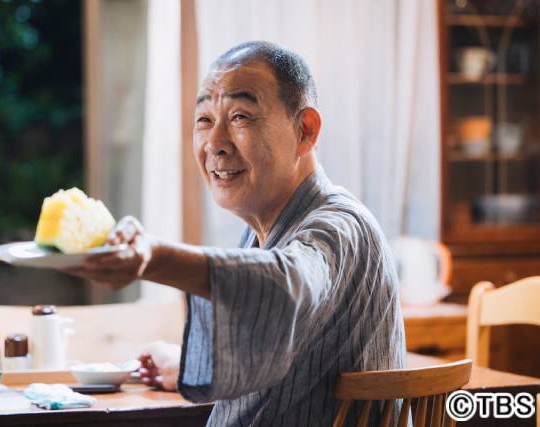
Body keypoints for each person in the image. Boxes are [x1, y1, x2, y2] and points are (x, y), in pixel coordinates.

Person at [64, 40, 406, 426]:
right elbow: (286, 358)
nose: (215, 144)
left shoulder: (340, 224)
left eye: (241, 116)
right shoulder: (266, 228)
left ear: (305, 131)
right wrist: (189, 364)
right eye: (204, 120)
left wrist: (153, 257)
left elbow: (288, 281)